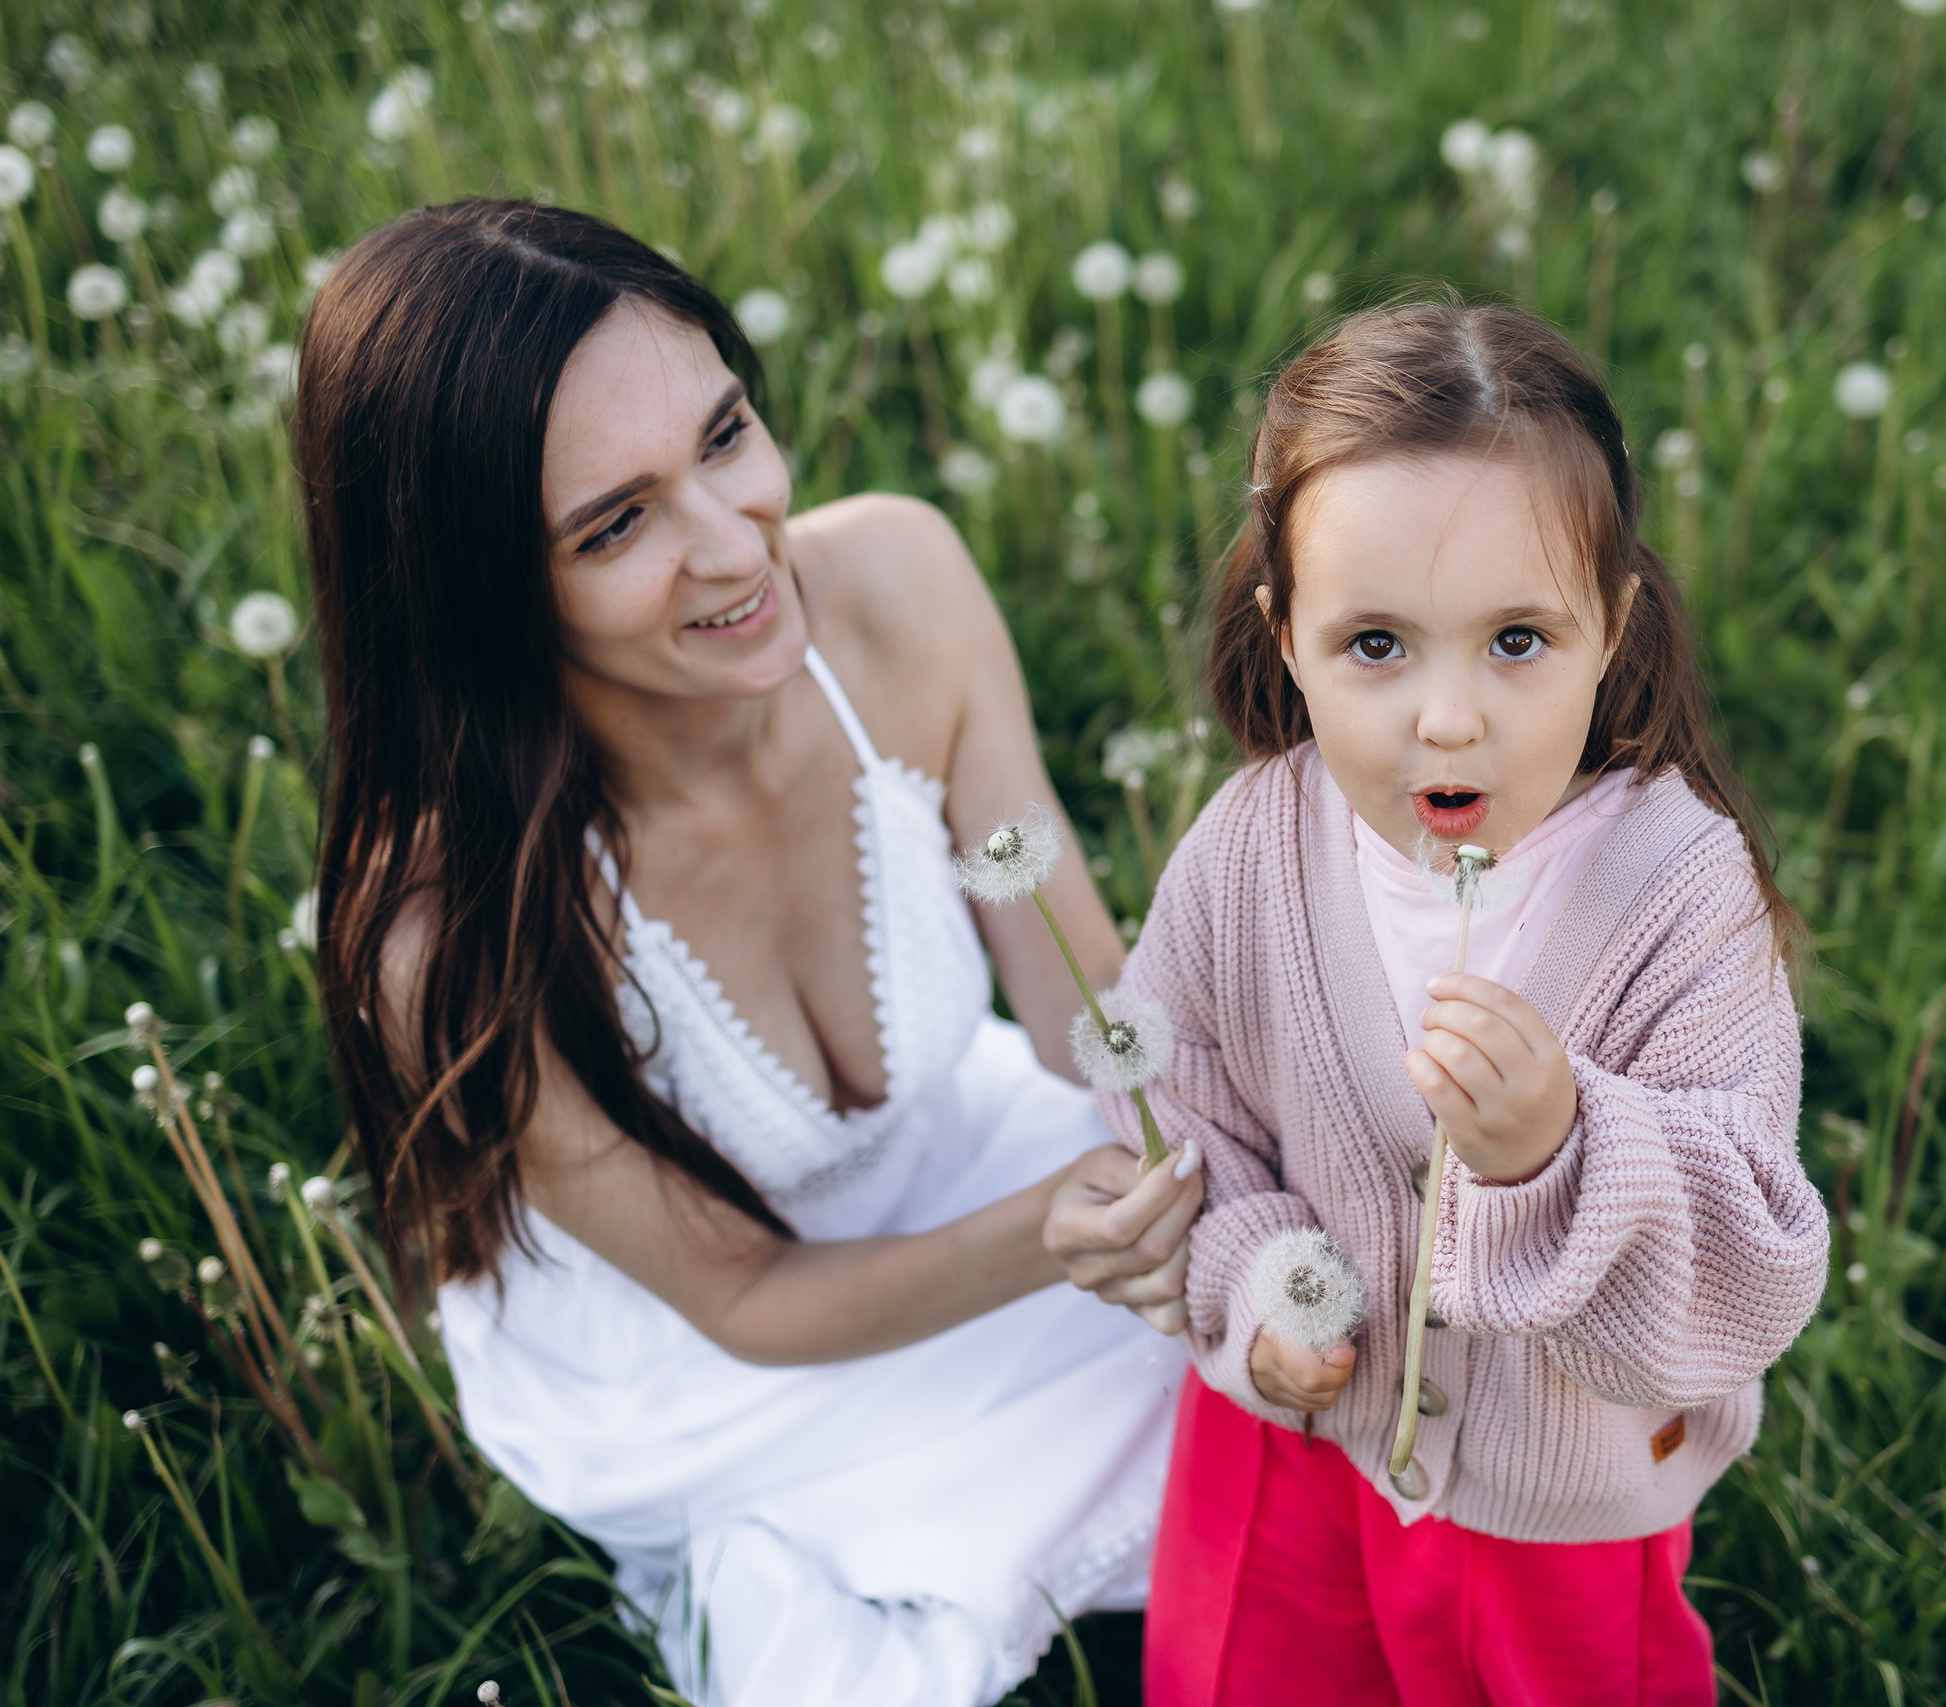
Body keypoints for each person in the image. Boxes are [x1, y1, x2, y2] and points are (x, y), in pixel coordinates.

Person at [299, 200, 1200, 1707]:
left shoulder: (900, 585)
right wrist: (1062, 1233)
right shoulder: (449, 928)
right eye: (615, 525)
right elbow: (744, 1300)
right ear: (481, 595)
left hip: (961, 1155)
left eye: (725, 437)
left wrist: (1239, 1118)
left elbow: (1078, 1003)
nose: (735, 545)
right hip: (707, 1360)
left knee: (1327, 1313)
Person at [1084, 301, 1830, 1703]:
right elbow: (1173, 1109)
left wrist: (1563, 1147)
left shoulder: (1678, 892)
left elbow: (1751, 1260)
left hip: (1553, 1506)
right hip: (1290, 1447)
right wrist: (1261, 1288)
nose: (1448, 717)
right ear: (1286, 637)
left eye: (1517, 640)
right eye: (1376, 644)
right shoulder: (1254, 849)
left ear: (1611, 628)